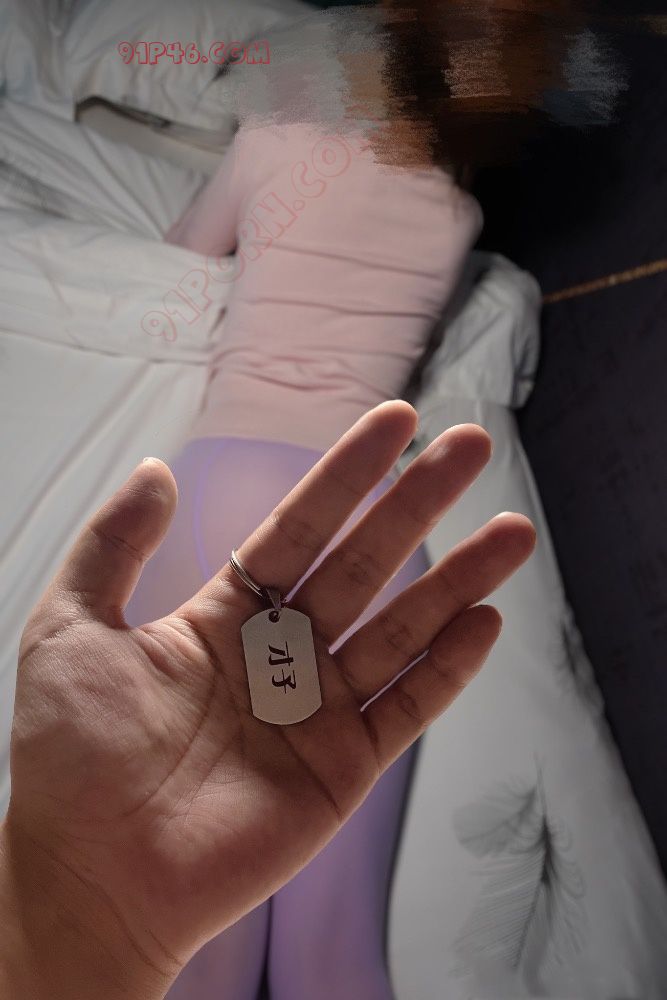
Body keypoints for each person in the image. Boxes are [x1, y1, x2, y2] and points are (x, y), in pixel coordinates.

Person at [0, 400, 536, 1000]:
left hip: (214, 481)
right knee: (334, 955)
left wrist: (70, 904)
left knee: (203, 962)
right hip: (357, 501)